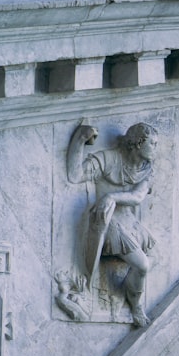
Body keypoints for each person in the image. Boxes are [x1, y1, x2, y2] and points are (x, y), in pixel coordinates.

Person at [67, 122, 159, 328]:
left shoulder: (147, 169)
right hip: (109, 224)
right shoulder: (109, 159)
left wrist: (112, 197)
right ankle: (136, 305)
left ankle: (132, 297)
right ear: (137, 143)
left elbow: (137, 197)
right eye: (152, 143)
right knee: (143, 265)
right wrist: (80, 140)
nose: (156, 148)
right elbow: (75, 175)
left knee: (151, 261)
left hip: (131, 223)